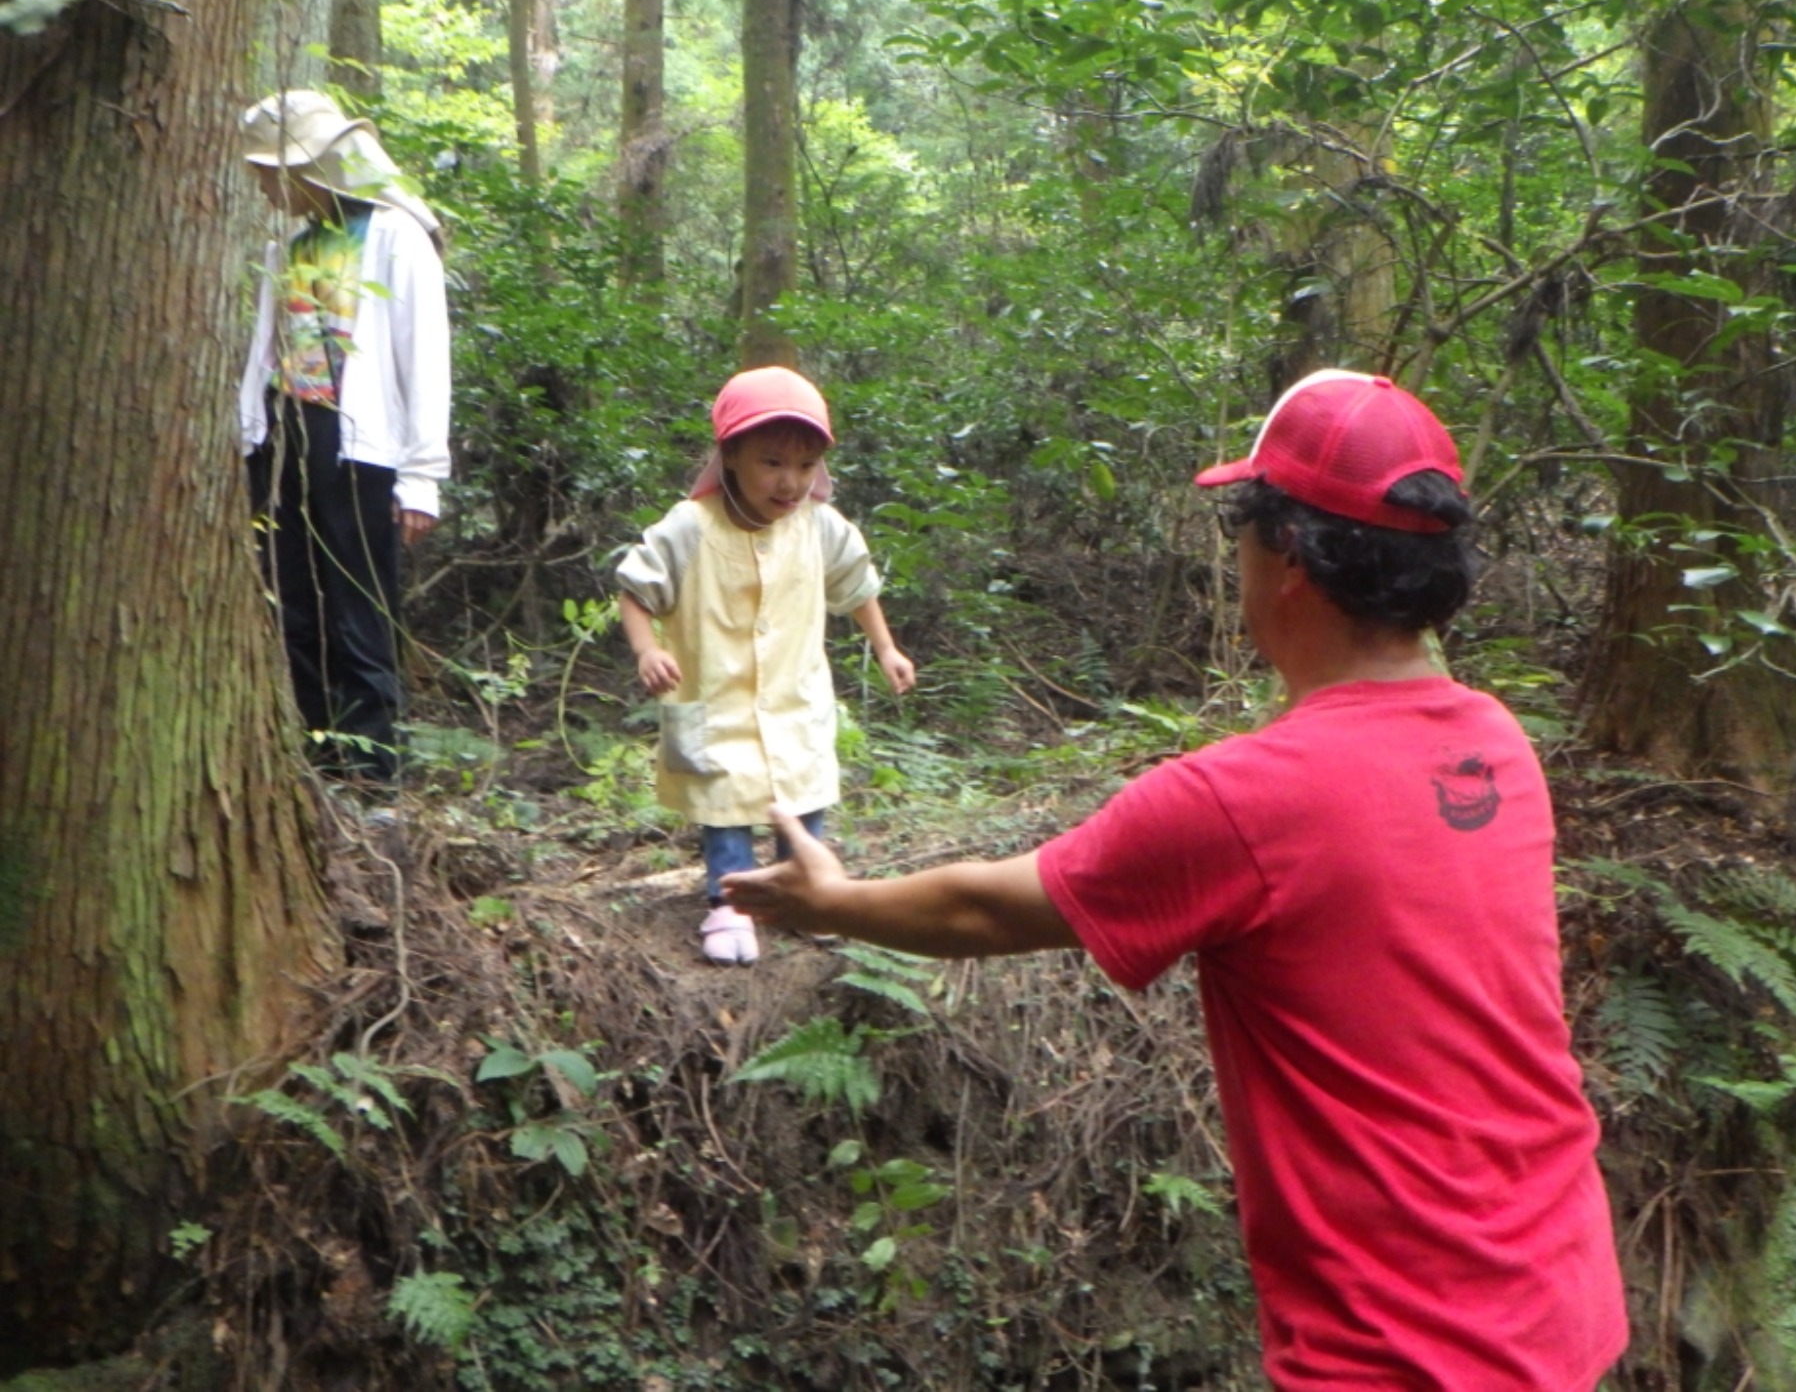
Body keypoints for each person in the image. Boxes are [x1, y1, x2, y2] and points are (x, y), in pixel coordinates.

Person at [725, 370, 1629, 1389]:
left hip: (1400, 1348)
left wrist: (829, 902)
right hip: (1557, 1300)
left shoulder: (1247, 799)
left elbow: (985, 905)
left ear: (1283, 554)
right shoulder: (1495, 745)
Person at [616, 367, 917, 966]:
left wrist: (886, 647)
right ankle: (730, 901)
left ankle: (807, 895)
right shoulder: (690, 527)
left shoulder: (820, 527)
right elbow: (635, 588)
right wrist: (648, 649)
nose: (790, 482)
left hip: (794, 696)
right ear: (730, 456)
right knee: (723, 804)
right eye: (772, 463)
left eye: (805, 467)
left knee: (802, 795)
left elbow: (857, 585)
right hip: (713, 696)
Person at [237, 90, 452, 790]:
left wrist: (421, 476)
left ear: (309, 165)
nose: (264, 185)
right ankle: (319, 763)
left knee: (359, 610)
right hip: (285, 442)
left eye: (271, 171)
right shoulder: (293, 242)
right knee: (294, 606)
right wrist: (250, 438)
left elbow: (424, 355)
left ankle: (372, 778)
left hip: (358, 448)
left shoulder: (394, 233)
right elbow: (267, 352)